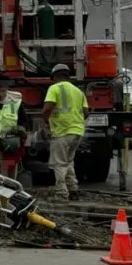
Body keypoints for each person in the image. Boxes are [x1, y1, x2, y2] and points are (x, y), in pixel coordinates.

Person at [43, 63, 87, 201]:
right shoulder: (78, 91)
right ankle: (73, 189)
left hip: (62, 131)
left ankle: (61, 194)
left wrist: (47, 123)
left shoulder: (54, 88)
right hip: (77, 132)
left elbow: (47, 109)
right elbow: (86, 112)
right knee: (68, 161)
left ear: (55, 76)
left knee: (59, 163)